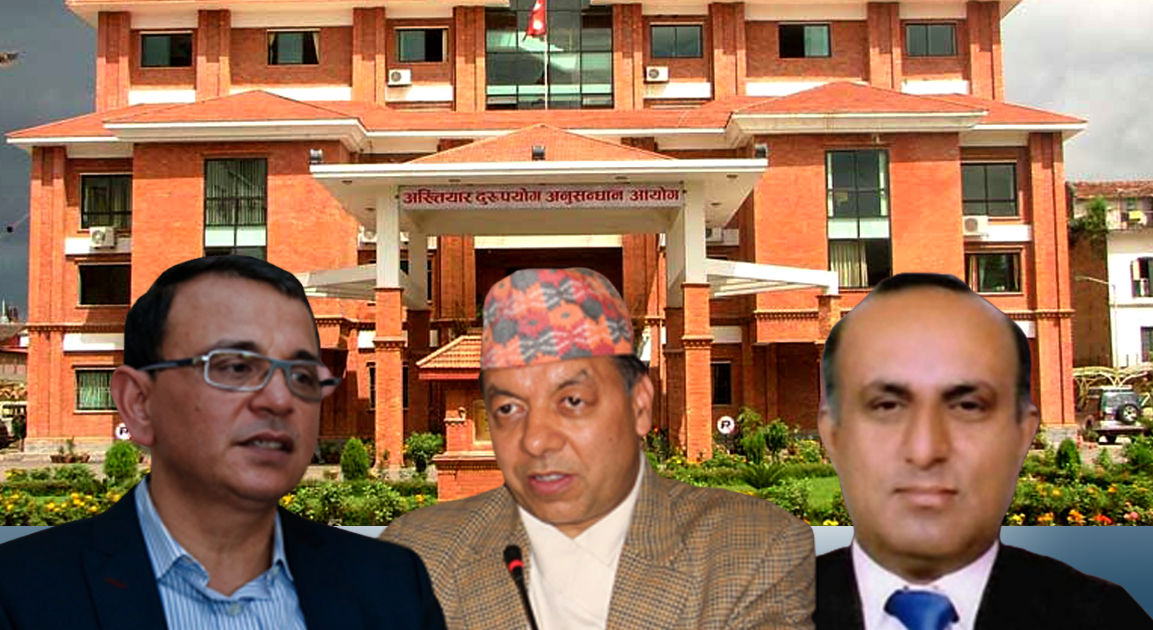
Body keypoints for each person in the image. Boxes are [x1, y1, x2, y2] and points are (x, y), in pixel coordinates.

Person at [0, 256, 446, 630]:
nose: (279, 400)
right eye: (235, 368)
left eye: (301, 374)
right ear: (138, 403)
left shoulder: (391, 585)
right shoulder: (22, 594)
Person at [382, 268, 815, 630]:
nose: (536, 439)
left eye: (573, 401)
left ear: (638, 405)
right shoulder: (419, 554)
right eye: (509, 407)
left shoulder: (751, 552)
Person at [814, 272, 1151, 630]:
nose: (925, 450)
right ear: (833, 434)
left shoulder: (1108, 618)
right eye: (887, 406)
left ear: (1022, 434)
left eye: (968, 406)